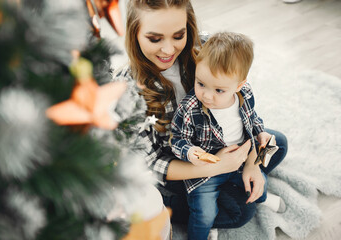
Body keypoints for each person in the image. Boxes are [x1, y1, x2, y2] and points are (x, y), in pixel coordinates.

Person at [114, 0, 288, 237]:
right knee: (241, 212)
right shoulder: (125, 89)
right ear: (134, 34)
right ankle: (188, 200)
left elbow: (238, 92)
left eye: (178, 35)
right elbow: (152, 163)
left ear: (189, 26)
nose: (168, 50)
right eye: (155, 39)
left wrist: (252, 164)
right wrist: (219, 166)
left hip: (217, 142)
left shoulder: (205, 48)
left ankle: (241, 179)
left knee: (279, 143)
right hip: (179, 166)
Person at [170, 32, 286, 239]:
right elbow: (177, 139)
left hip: (240, 156)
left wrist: (261, 134)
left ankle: (260, 197)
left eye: (219, 90)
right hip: (205, 171)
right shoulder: (190, 108)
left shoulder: (246, 93)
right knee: (204, 213)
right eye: (201, 84)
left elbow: (253, 119)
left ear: (239, 86)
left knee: (275, 151)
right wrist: (190, 152)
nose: (206, 95)